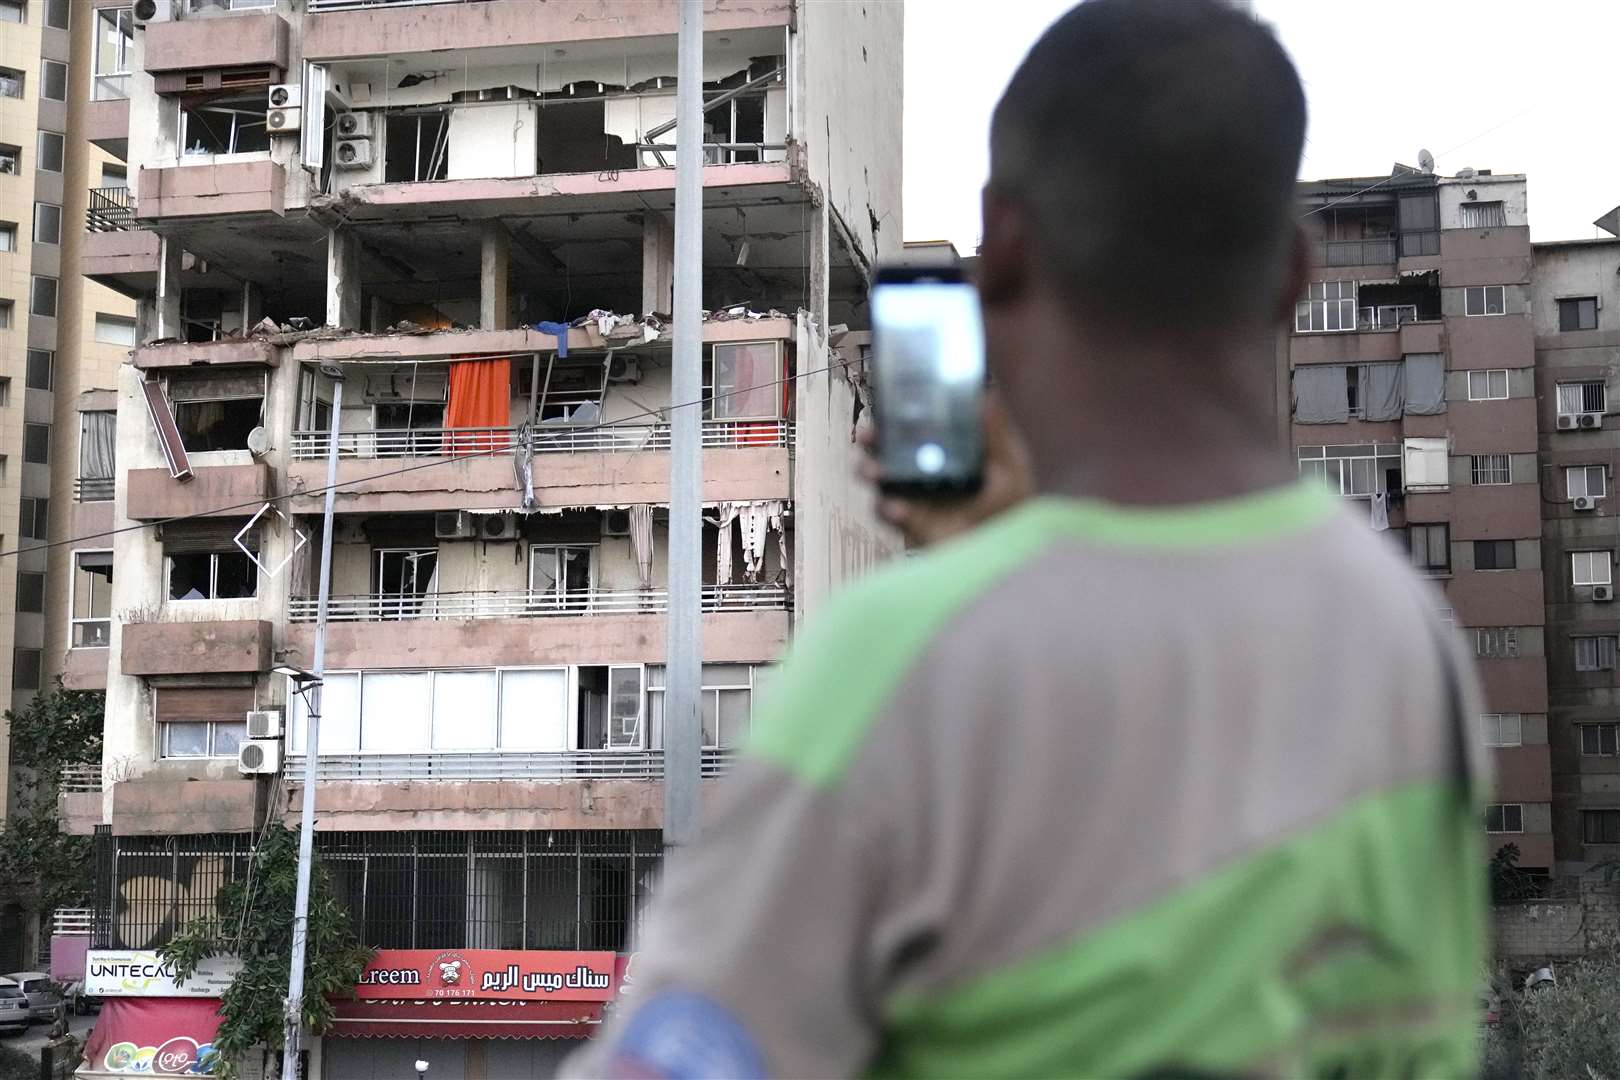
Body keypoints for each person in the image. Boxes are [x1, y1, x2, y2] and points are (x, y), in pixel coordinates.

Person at [567, 0, 1485, 1075]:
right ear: (1290, 276)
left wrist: (970, 604)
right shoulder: (1413, 645)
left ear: (1001, 247)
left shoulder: (900, 666)